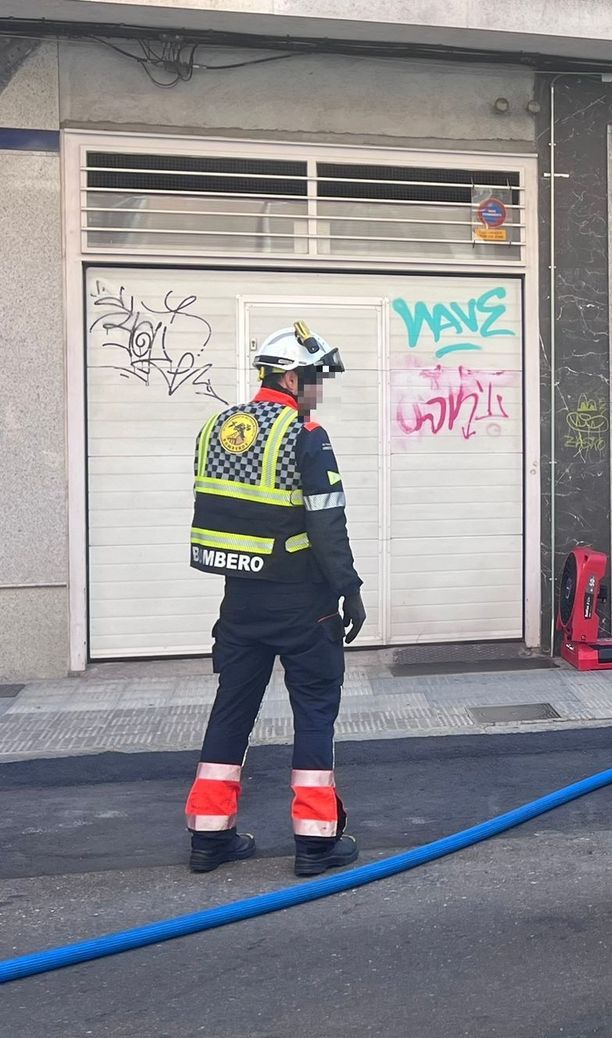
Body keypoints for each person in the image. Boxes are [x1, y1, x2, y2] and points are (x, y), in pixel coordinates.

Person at [184, 321, 366, 878]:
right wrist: (349, 589)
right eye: (314, 380)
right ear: (291, 376)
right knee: (313, 713)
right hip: (301, 605)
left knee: (231, 713)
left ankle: (208, 839)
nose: (319, 392)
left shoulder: (217, 425)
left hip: (239, 601)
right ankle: (315, 844)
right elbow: (327, 522)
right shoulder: (304, 435)